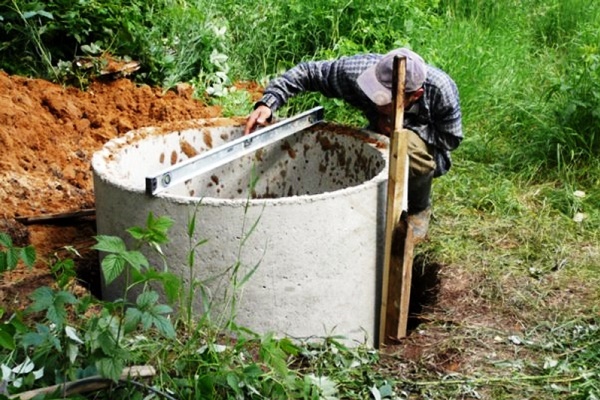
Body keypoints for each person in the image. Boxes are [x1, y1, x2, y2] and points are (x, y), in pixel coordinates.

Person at [244, 48, 462, 241]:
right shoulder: (357, 72)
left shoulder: (440, 90)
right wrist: (269, 101)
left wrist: (405, 130)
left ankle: (418, 209)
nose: (375, 99)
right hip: (379, 130)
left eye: (384, 99)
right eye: (375, 91)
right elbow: (309, 72)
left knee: (406, 150)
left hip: (422, 145)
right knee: (363, 153)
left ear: (415, 95)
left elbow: (450, 139)